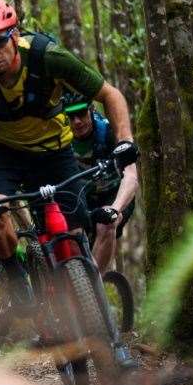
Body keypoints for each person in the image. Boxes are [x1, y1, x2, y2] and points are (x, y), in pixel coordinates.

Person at [0, 0, 137, 367]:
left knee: (77, 242)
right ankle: (16, 277)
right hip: (2, 154)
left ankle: (111, 341)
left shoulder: (48, 56)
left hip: (55, 154)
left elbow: (110, 95)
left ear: (14, 35)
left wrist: (124, 141)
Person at [62, 93, 138, 274]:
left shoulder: (109, 132)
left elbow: (131, 177)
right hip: (83, 195)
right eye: (71, 117)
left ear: (91, 110)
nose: (77, 121)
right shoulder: (62, 138)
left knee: (106, 225)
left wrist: (115, 209)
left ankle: (93, 291)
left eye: (81, 114)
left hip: (114, 194)